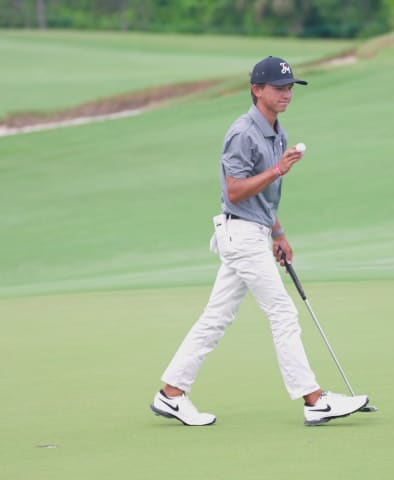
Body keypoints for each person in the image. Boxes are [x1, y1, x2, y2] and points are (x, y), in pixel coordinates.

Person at [150, 56, 369, 426]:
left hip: (254, 231)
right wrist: (277, 169)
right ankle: (314, 400)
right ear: (257, 90)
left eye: (289, 88)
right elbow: (235, 191)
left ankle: (172, 393)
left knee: (215, 318)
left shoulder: (277, 131)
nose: (286, 94)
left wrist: (278, 233)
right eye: (279, 88)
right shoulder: (243, 133)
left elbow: (264, 196)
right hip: (241, 234)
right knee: (282, 313)